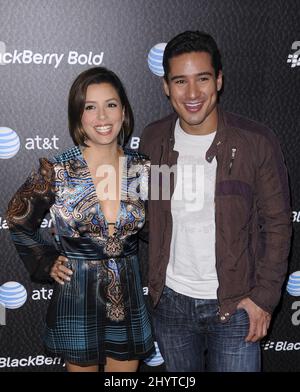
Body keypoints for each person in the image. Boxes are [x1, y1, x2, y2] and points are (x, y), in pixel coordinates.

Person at [139, 31, 292, 372]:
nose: (192, 94)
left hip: (237, 306)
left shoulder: (256, 142)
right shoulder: (154, 140)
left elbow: (278, 225)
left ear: (219, 80)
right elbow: (148, 215)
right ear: (166, 86)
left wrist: (264, 298)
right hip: (171, 306)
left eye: (202, 79)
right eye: (180, 81)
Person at [6, 67, 155, 372]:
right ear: (78, 116)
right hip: (77, 293)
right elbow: (17, 217)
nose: (102, 116)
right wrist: (46, 260)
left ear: (123, 112)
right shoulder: (57, 170)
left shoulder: (143, 169)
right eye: (90, 107)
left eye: (111, 105)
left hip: (127, 292)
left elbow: (162, 227)